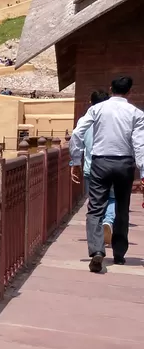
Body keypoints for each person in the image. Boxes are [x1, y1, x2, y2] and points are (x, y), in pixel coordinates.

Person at [70, 76, 144, 271]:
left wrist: (76, 161)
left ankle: (97, 250)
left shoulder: (97, 109)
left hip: (100, 162)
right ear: (129, 92)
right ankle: (119, 254)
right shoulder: (136, 113)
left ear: (111, 89)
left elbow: (77, 133)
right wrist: (143, 172)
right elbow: (140, 144)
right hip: (125, 164)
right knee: (122, 208)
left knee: (95, 208)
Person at [70, 91, 117, 246]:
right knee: (112, 198)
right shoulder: (114, 120)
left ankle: (98, 234)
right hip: (112, 165)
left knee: (95, 201)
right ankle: (108, 222)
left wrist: (75, 162)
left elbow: (77, 137)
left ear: (91, 103)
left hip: (91, 168)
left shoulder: (85, 120)